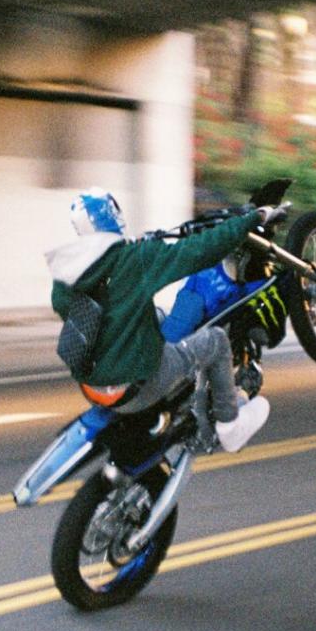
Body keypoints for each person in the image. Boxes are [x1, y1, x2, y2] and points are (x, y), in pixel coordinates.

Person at [46, 187, 277, 453]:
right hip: (133, 389)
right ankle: (230, 427)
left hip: (90, 387)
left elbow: (68, 306)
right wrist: (254, 219)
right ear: (111, 215)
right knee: (215, 341)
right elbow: (199, 251)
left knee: (155, 316)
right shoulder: (136, 259)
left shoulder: (67, 270)